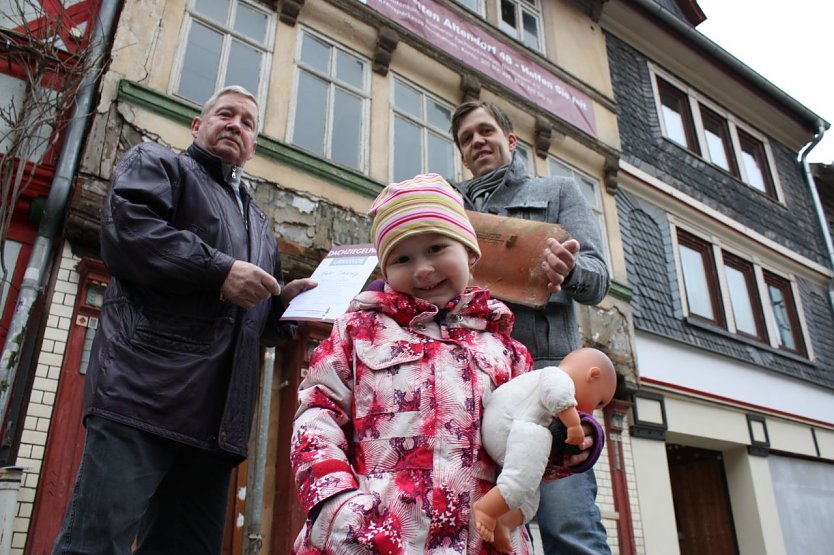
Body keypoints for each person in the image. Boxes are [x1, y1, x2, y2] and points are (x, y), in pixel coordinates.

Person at [53, 85, 315, 554]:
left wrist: (284, 308)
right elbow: (128, 231)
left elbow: (254, 318)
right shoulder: (159, 164)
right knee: (93, 545)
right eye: (225, 115)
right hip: (142, 398)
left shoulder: (259, 225)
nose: (236, 125)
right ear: (198, 125)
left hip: (216, 427)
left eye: (248, 123)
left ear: (254, 146)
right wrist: (220, 271)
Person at [290, 174, 602, 553]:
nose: (422, 268)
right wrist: (336, 507)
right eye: (402, 258)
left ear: (471, 254)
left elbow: (523, 448)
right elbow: (316, 417)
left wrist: (566, 448)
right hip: (371, 538)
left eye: (437, 248)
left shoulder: (509, 351)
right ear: (385, 271)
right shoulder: (359, 331)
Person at [450, 100, 612, 555]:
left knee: (569, 528)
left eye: (486, 131)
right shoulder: (448, 205)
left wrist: (569, 269)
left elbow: (599, 279)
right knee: (479, 529)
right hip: (471, 386)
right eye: (467, 138)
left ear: (511, 140)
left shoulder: (558, 192)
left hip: (545, 381)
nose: (477, 141)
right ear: (462, 154)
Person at [473, 348, 617, 552]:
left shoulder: (541, 378)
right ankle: (487, 509)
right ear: (593, 375)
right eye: (599, 401)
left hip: (510, 433)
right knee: (522, 477)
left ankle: (505, 521)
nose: (592, 411)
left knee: (530, 493)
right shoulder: (557, 375)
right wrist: (574, 425)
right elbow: (559, 395)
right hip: (511, 427)